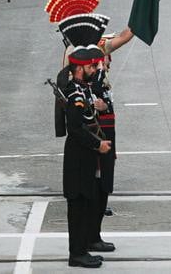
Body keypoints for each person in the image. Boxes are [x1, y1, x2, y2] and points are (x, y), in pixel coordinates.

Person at [57, 45, 112, 268]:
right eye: (90, 66)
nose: (94, 69)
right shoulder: (75, 94)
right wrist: (98, 144)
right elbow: (76, 128)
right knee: (78, 206)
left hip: (84, 157)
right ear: (79, 69)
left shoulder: (83, 90)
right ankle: (77, 253)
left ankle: (81, 249)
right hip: (78, 157)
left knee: (86, 202)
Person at [89, 28, 134, 247]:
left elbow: (125, 36)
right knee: (99, 182)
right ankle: (92, 236)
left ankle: (94, 235)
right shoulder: (94, 78)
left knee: (103, 183)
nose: (108, 61)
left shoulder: (100, 76)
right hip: (99, 135)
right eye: (106, 58)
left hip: (107, 133)